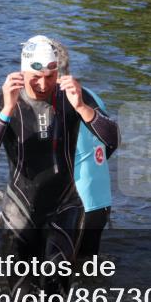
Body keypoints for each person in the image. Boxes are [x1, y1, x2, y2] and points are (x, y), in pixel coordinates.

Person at [0, 35, 119, 302]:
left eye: (50, 76)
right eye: (35, 77)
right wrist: (6, 110)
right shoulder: (2, 102)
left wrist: (82, 107)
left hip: (64, 207)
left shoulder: (75, 97)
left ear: (59, 72)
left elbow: (112, 140)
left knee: (55, 300)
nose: (43, 84)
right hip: (19, 211)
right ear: (22, 71)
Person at [53, 39, 112, 259]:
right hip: (99, 202)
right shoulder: (91, 96)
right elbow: (110, 142)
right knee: (86, 271)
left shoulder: (53, 103)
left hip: (72, 205)